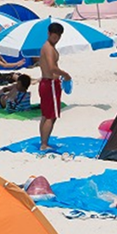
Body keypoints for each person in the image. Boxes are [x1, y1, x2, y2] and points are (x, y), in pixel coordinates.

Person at [39, 22, 71, 151]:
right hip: (50, 83)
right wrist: (66, 75)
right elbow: (52, 68)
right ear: (49, 34)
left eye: (58, 36)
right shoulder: (49, 48)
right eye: (54, 36)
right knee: (51, 116)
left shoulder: (47, 47)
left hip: (46, 83)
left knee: (46, 114)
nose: (56, 39)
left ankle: (43, 142)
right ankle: (44, 144)